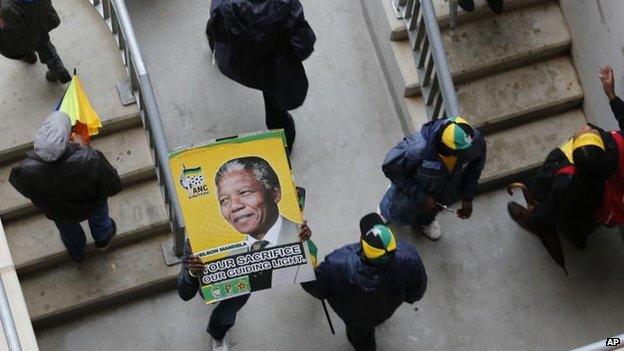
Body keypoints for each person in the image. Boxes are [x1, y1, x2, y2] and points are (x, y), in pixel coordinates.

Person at [301, 213, 427, 351]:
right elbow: (417, 291)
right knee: (376, 319)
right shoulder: (410, 257)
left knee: (361, 338)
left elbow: (313, 285)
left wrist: (301, 246)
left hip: (355, 318)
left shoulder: (336, 266)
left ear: (362, 241)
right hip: (385, 310)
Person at [177, 222, 312, 351]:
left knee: (224, 316)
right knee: (211, 297)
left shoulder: (267, 229)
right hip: (210, 285)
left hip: (240, 286)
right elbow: (185, 293)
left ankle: (218, 334)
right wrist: (193, 272)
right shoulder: (195, 241)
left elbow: (291, 256)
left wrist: (300, 238)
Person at [205, 0, 316, 155]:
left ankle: (213, 50)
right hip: (273, 69)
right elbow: (304, 45)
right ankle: (282, 145)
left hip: (236, 64)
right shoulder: (289, 5)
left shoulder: (224, 5)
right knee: (275, 107)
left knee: (218, 42)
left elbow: (216, 29)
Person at [9, 111, 121, 263]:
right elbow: (114, 186)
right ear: (68, 139)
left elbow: (26, 190)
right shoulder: (90, 158)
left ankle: (77, 254)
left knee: (69, 233)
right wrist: (84, 148)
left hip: (59, 212)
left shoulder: (24, 170)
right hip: (93, 204)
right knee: (100, 221)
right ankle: (103, 239)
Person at [379, 116, 486, 240]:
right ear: (444, 146)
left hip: (442, 195)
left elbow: (474, 169)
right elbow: (391, 169)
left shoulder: (474, 142)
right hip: (410, 195)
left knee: (430, 211)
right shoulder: (415, 149)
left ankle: (426, 221)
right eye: (461, 154)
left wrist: (468, 196)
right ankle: (386, 212)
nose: (467, 157)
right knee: (398, 209)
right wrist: (422, 197)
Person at [215, 156, 314, 288]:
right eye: (224, 200)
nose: (234, 207)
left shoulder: (304, 237)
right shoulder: (231, 260)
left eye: (244, 192)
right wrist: (195, 273)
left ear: (275, 193)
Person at [0, 0, 71, 83]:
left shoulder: (5, 9)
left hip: (21, 37)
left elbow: (9, 33)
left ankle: (28, 55)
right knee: (42, 41)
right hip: (42, 18)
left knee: (24, 41)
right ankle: (59, 71)